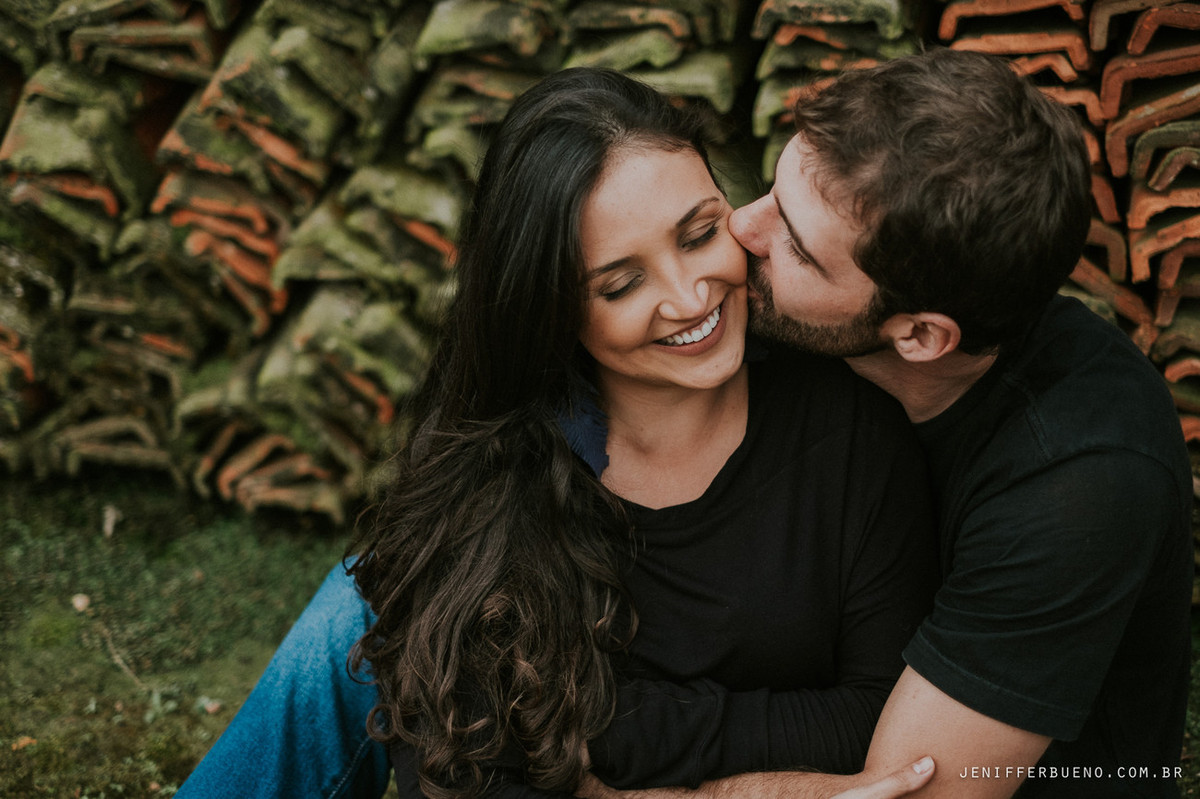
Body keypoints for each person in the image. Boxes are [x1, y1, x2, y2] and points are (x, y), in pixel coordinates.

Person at [175, 68, 940, 798]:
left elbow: (877, 725)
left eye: (700, 232)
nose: (689, 295)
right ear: (553, 307)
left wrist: (599, 736)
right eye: (621, 282)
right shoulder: (497, 476)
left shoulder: (849, 429)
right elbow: (469, 773)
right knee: (356, 607)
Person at [584, 48, 1192, 799]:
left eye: (798, 248)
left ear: (921, 335)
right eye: (773, 190)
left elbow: (905, 790)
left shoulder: (1079, 478)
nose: (744, 227)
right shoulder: (813, 334)